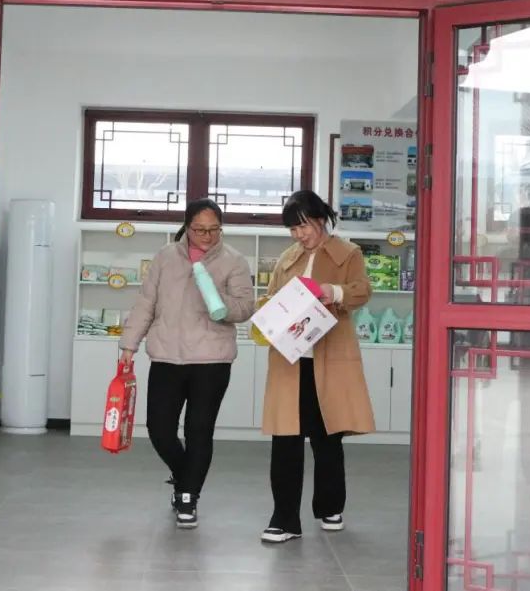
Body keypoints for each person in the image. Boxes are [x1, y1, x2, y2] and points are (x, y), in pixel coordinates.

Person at [118, 198, 254, 529]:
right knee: (159, 429)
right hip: (167, 356)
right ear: (187, 227)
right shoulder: (165, 257)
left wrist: (218, 301)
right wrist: (129, 344)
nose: (207, 236)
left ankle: (188, 496)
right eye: (199, 230)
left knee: (199, 430)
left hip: (211, 360)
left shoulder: (234, 260)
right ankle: (185, 476)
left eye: (214, 229)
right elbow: (146, 303)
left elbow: (245, 307)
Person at [259, 190, 375, 543]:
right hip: (290, 360)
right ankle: (284, 519)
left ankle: (330, 506)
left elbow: (362, 290)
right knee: (285, 439)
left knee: (328, 438)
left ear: (320, 219)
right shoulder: (287, 258)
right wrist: (267, 310)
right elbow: (271, 295)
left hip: (330, 358)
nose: (299, 235)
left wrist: (333, 292)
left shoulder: (348, 253)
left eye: (304, 226)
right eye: (293, 229)